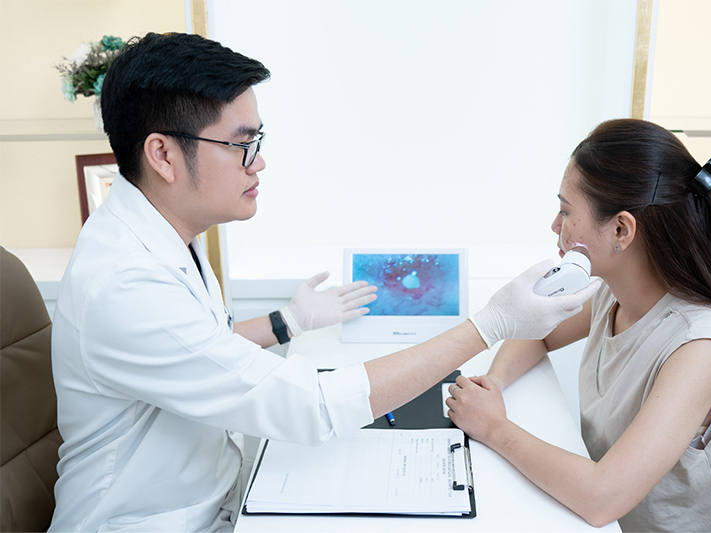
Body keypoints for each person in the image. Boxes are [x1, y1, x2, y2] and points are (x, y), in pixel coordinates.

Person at [49, 32, 599, 532]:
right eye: (241, 144)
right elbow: (308, 407)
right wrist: (492, 323)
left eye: (258, 140)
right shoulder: (123, 283)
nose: (258, 163)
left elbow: (197, 347)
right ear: (163, 154)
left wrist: (288, 321)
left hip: (210, 497)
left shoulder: (166, 232)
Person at [446, 118, 711, 531]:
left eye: (566, 211)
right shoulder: (614, 290)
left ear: (621, 229)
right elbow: (537, 331)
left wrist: (494, 427)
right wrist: (494, 384)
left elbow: (601, 498)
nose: (556, 226)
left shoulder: (700, 348)